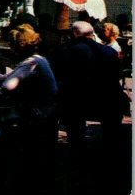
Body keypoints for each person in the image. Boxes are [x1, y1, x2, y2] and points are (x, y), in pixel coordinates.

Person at [0, 24, 59, 195]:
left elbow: (9, 85)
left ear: (18, 46)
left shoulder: (31, 63)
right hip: (46, 115)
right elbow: (13, 75)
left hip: (38, 117)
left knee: (25, 154)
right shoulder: (38, 59)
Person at [53, 21, 124, 153]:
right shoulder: (109, 52)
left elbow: (60, 77)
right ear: (92, 34)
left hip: (78, 100)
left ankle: (78, 155)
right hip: (107, 98)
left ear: (74, 34)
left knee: (75, 132)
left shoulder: (66, 51)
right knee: (111, 136)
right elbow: (115, 77)